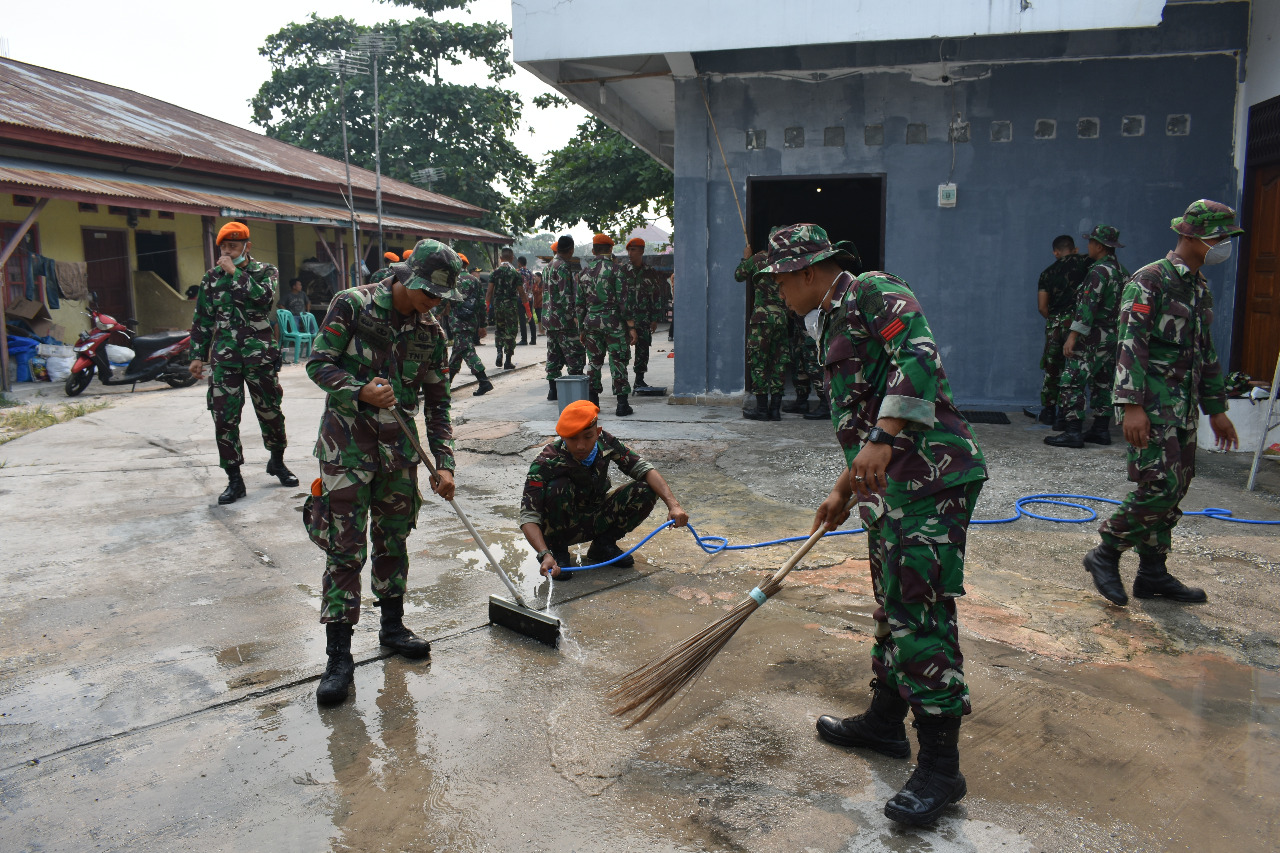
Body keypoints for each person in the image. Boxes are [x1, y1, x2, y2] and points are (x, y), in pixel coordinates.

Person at [763, 223, 987, 827]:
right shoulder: (830, 319)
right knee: (892, 607)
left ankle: (942, 767)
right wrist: (842, 489)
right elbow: (861, 416)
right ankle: (887, 722)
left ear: (809, 270)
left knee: (920, 612)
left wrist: (886, 438)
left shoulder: (873, 291)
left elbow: (919, 356)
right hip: (887, 488)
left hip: (929, 479)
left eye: (780, 278)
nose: (776, 290)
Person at [304, 238, 462, 706]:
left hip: (398, 454)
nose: (434, 305)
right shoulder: (352, 305)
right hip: (346, 448)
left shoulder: (431, 333)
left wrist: (446, 463)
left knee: (393, 540)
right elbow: (317, 363)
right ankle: (339, 658)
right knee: (345, 549)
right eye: (429, 294)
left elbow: (438, 404)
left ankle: (392, 627)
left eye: (441, 299)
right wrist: (358, 392)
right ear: (408, 280)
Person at [1082, 200, 1241, 608]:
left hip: (1183, 408)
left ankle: (1152, 573)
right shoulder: (1149, 280)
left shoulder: (1198, 286)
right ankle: (1106, 551)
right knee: (1160, 487)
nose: (1223, 245)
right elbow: (1130, 344)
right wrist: (1130, 405)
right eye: (1218, 238)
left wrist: (1217, 409)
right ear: (1191, 235)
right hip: (1152, 407)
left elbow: (1205, 353)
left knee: (1176, 489)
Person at [189, 221, 298, 504]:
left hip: (260, 356)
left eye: (233, 246)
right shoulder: (211, 278)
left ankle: (277, 462)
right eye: (224, 246)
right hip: (225, 359)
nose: (227, 251)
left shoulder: (266, 272)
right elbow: (202, 319)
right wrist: (197, 356)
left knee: (271, 412)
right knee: (224, 418)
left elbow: (264, 299)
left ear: (246, 247)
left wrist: (235, 273)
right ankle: (234, 479)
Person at [519, 399, 687, 578]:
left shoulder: (605, 441)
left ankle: (603, 546)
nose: (581, 445)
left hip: (596, 516)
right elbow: (529, 516)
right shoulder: (546, 461)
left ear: (597, 432)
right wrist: (544, 553)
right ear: (562, 436)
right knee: (557, 487)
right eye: (572, 438)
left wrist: (674, 505)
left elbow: (644, 468)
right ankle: (558, 554)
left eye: (588, 436)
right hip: (561, 529)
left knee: (646, 489)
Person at [1046, 225, 1130, 448]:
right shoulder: (1122, 272)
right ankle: (1101, 430)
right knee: (1103, 382)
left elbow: (1087, 306)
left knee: (1071, 380)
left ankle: (1073, 431)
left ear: (1100, 246)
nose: (1088, 247)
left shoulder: (1098, 271)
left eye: (1091, 242)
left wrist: (1073, 336)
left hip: (1092, 335)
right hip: (1112, 336)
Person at [1027, 236, 1090, 427]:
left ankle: (1048, 411)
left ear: (1056, 252)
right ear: (1075, 249)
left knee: (1052, 368)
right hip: (1078, 324)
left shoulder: (1048, 273)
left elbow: (1042, 306)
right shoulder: (1086, 264)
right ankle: (1067, 414)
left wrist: (1055, 321)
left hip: (1055, 323)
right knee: (1075, 369)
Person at [578, 234, 636, 416]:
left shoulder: (583, 273)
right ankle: (621, 405)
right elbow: (624, 301)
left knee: (594, 362)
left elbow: (579, 305)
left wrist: (582, 329)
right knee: (617, 360)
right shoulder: (617, 270)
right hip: (613, 323)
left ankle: (593, 403)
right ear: (610, 250)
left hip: (591, 322)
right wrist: (631, 326)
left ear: (594, 250)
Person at [735, 249, 788, 420]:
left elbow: (739, 275)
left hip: (762, 318)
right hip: (781, 317)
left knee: (759, 362)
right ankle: (775, 410)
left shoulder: (759, 258)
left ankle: (762, 410)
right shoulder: (788, 260)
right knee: (778, 362)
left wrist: (746, 258)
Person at [543, 236, 586, 401]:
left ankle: (553, 391)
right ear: (571, 249)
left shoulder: (548, 267)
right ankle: (575, 394)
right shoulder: (563, 267)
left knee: (553, 354)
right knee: (575, 355)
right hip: (563, 320)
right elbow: (566, 295)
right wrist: (574, 317)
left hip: (549, 319)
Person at [448, 254, 493, 395]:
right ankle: (444, 385)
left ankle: (484, 381)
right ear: (466, 265)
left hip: (457, 321)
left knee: (466, 350)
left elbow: (443, 300)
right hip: (471, 321)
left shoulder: (452, 280)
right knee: (458, 351)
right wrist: (483, 324)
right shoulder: (475, 280)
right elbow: (481, 304)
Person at [621, 238, 663, 388]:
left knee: (643, 349)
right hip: (625, 319)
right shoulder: (623, 271)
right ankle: (621, 379)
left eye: (633, 250)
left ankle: (639, 379)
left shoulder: (650, 272)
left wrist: (654, 318)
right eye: (629, 250)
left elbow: (656, 295)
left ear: (642, 251)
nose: (630, 253)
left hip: (644, 317)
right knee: (622, 350)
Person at [486, 248, 522, 369]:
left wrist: (487, 308)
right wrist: (528, 309)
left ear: (501, 258)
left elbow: (489, 291)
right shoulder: (515, 273)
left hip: (498, 305)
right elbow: (521, 293)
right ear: (512, 258)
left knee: (500, 329)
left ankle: (499, 352)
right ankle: (508, 360)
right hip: (511, 306)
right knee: (511, 331)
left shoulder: (494, 273)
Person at [517, 256, 536, 346]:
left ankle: (524, 339)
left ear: (519, 263)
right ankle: (533, 339)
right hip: (530, 297)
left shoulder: (518, 273)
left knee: (522, 319)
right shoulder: (530, 273)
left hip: (521, 297)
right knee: (530, 316)